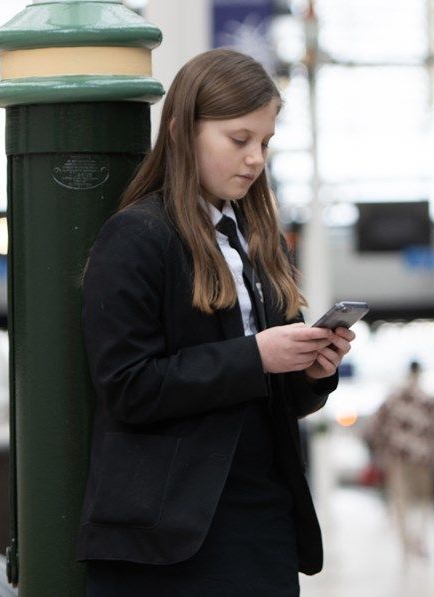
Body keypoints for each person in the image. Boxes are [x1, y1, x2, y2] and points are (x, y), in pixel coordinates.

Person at [76, 49, 355, 596]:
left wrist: (313, 369)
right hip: (167, 536)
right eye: (238, 139)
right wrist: (258, 356)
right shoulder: (136, 236)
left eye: (265, 143)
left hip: (260, 517)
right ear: (182, 132)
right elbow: (127, 386)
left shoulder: (261, 241)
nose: (255, 159)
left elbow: (278, 397)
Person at [366, 360, 434, 561]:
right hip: (425, 459)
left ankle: (406, 544)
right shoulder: (431, 401)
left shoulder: (392, 400)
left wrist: (382, 451)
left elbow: (374, 430)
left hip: (398, 459)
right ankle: (419, 538)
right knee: (424, 501)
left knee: (401, 502)